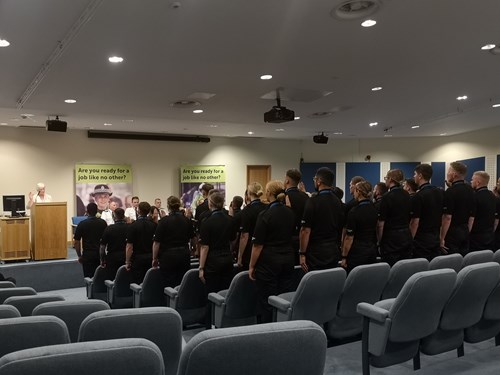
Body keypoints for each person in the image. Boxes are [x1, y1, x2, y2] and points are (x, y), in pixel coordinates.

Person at [249, 180, 295, 323]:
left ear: (268, 193)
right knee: (283, 299)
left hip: (269, 262)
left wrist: (251, 266)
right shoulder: (290, 213)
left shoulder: (265, 215)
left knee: (267, 301)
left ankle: (266, 333)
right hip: (288, 259)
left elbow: (257, 245)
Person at [198, 192, 236, 327]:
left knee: (210, 294)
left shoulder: (206, 222)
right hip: (227, 259)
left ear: (210, 204)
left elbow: (204, 248)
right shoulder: (230, 220)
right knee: (225, 294)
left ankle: (209, 325)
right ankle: (223, 323)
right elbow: (233, 240)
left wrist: (201, 267)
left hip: (212, 261)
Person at [299, 167, 344, 272]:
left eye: (315, 179)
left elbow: (305, 230)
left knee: (315, 283)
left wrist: (302, 254)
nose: (314, 181)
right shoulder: (338, 202)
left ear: (319, 181)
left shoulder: (313, 201)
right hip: (333, 250)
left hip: (316, 253)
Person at [152, 196, 195, 287]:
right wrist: (193, 250)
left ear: (168, 206)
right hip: (184, 254)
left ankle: (168, 301)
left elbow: (156, 243)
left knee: (168, 284)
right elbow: (193, 238)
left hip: (168, 256)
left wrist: (154, 258)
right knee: (183, 283)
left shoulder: (163, 221)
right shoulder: (186, 220)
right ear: (179, 205)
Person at [340, 181, 378, 273]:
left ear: (358, 192)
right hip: (371, 251)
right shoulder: (374, 208)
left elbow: (349, 238)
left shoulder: (354, 212)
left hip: (357, 253)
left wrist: (344, 257)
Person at [377, 169, 412, 266]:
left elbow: (381, 224)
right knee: (405, 267)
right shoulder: (407, 195)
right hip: (406, 235)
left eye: (386, 178)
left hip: (391, 239)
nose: (385, 181)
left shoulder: (386, 197)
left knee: (391, 268)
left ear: (391, 179)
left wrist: (380, 242)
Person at [440, 161, 475, 255]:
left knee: (451, 262)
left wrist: (442, 238)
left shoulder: (450, 192)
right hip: (465, 230)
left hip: (452, 232)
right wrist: (466, 232)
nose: (447, 174)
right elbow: (472, 217)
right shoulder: (471, 190)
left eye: (448, 171)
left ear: (454, 174)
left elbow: (447, 217)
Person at [410, 164, 444, 260]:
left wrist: (410, 239)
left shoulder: (418, 196)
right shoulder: (440, 192)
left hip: (422, 239)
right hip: (436, 236)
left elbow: (415, 222)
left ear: (420, 176)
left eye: (415, 174)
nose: (414, 176)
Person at [237, 182, 267, 269]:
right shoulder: (267, 207)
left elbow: (244, 236)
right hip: (265, 248)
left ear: (249, 194)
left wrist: (240, 256)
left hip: (250, 249)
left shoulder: (246, 210)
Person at [125, 201, 157, 283]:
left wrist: (127, 261)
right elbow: (157, 243)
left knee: (138, 284)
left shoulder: (133, 226)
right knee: (150, 282)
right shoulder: (154, 225)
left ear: (138, 211)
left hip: (137, 259)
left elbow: (129, 246)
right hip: (150, 257)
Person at [73, 203, 107, 277]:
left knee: (89, 279)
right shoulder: (103, 223)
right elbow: (106, 239)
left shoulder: (82, 224)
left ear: (87, 211)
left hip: (88, 255)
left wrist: (79, 255)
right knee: (100, 278)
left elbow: (76, 242)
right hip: (100, 254)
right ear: (97, 211)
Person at [284, 169, 309, 260]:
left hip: (288, 238)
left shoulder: (284, 196)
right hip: (304, 237)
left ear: (287, 180)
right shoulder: (305, 196)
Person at [469, 171, 497, 252]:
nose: (471, 181)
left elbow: (471, 218)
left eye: (472, 179)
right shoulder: (494, 197)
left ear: (478, 182)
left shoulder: (475, 197)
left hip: (476, 237)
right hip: (490, 236)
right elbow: (496, 220)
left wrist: (467, 234)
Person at [99, 207, 128, 278]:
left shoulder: (109, 228)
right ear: (124, 216)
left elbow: (102, 248)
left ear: (114, 216)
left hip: (112, 258)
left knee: (111, 281)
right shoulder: (130, 227)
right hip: (126, 256)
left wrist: (102, 259)